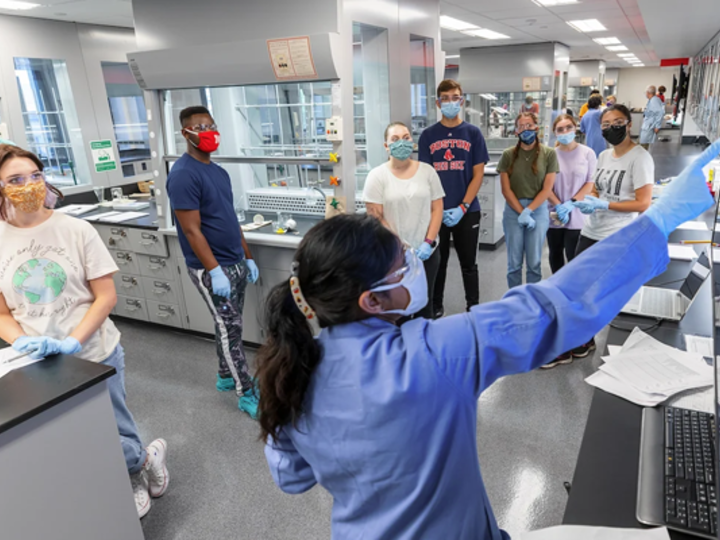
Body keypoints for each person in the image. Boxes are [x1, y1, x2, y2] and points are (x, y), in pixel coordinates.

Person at [257, 138, 719, 540]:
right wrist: (659, 219)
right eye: (403, 265)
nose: (414, 266)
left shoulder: (291, 373)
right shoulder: (433, 354)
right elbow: (553, 306)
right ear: (372, 302)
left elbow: (291, 477)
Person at [0, 144, 169, 519]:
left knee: (114, 429)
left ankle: (139, 468)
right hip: (38, 362)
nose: (28, 185)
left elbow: (105, 296)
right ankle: (143, 459)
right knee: (68, 436)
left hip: (94, 351)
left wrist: (73, 341)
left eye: (35, 176)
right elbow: (2, 312)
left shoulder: (76, 229)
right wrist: (21, 340)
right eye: (15, 180)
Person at [166, 106, 261, 419]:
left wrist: (246, 256)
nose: (207, 131)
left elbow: (231, 220)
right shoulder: (182, 175)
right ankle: (245, 391)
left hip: (234, 261)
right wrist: (214, 270)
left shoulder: (218, 172)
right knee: (230, 328)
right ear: (186, 133)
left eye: (210, 125)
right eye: (199, 126)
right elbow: (192, 230)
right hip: (211, 268)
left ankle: (224, 374)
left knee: (229, 325)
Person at [571, 104, 654, 356]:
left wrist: (606, 204)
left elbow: (643, 203)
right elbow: (596, 189)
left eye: (617, 122)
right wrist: (587, 202)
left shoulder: (640, 158)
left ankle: (584, 341)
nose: (611, 128)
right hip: (592, 230)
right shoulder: (604, 156)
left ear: (629, 124)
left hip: (616, 235)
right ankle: (580, 337)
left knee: (596, 291)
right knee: (578, 286)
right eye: (605, 125)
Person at [418, 79, 489, 317]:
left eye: (455, 97)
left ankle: (473, 307)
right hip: (436, 212)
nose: (450, 102)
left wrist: (463, 206)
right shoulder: (428, 136)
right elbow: (426, 177)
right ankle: (435, 307)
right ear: (438, 102)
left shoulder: (473, 133)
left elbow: (478, 175)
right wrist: (436, 208)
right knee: (439, 263)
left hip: (467, 211)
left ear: (462, 100)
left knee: (469, 264)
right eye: (445, 98)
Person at [363, 122, 445, 319]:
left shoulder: (427, 171)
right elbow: (376, 216)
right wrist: (401, 248)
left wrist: (428, 242)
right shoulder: (377, 176)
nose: (402, 142)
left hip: (427, 252)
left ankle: (424, 348)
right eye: (395, 139)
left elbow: (437, 208)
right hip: (394, 256)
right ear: (386, 146)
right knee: (396, 310)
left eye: (406, 137)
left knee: (425, 306)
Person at [543, 114, 596, 369]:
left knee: (575, 266)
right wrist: (558, 205)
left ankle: (584, 332)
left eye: (567, 127)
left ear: (575, 128)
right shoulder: (550, 154)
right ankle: (563, 308)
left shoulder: (588, 153)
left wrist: (571, 203)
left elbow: (590, 182)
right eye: (559, 129)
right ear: (554, 132)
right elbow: (547, 184)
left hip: (576, 216)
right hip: (555, 215)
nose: (564, 131)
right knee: (555, 261)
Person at [498, 112, 558, 288]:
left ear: (536, 128)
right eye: (521, 127)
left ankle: (532, 302)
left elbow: (547, 189)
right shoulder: (508, 155)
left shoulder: (549, 154)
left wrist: (529, 210)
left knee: (534, 262)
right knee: (514, 263)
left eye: (529, 126)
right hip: (513, 210)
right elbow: (506, 189)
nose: (526, 130)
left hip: (538, 210)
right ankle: (514, 302)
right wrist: (521, 211)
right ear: (515, 131)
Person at [639, 85, 664, 151]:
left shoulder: (654, 101)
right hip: (647, 125)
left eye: (645, 92)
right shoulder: (652, 100)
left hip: (649, 126)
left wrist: (657, 126)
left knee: (644, 146)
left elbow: (659, 113)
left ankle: (643, 159)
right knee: (642, 144)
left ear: (648, 92)